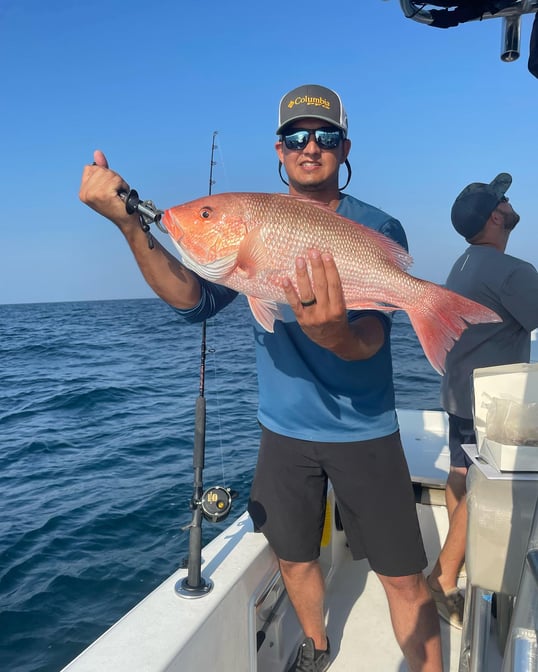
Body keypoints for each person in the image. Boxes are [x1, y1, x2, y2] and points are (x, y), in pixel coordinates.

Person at [79, 84, 443, 672]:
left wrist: (337, 336)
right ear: (279, 150)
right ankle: (316, 646)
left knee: (403, 578)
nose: (310, 146)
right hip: (283, 434)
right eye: (296, 136)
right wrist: (129, 227)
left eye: (325, 136)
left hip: (366, 432)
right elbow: (191, 299)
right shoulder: (249, 226)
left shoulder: (379, 226)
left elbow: (373, 335)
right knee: (295, 559)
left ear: (344, 146)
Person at [427, 173, 538, 629]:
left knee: (460, 474)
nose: (511, 203)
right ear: (497, 215)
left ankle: (461, 563)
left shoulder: (463, 262)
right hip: (491, 406)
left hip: (457, 395)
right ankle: (443, 577)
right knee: (483, 487)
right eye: (505, 199)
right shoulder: (514, 272)